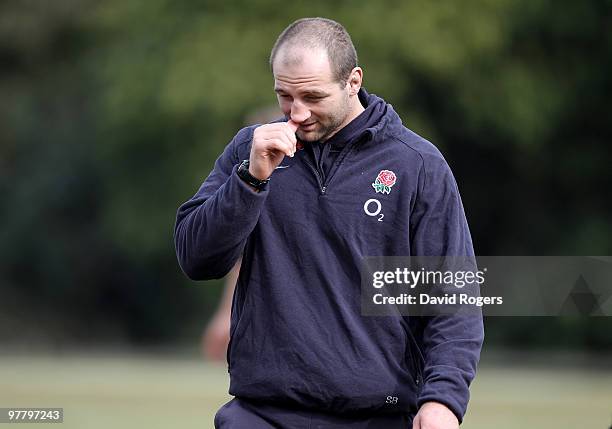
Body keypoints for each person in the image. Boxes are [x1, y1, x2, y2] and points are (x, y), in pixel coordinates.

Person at [174, 17, 484, 429]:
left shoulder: (417, 165)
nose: (297, 113)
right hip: (262, 412)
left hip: (378, 416)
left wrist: (444, 399)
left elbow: (450, 294)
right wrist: (250, 179)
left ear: (353, 81)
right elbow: (197, 259)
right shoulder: (251, 151)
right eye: (285, 95)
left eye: (312, 96)